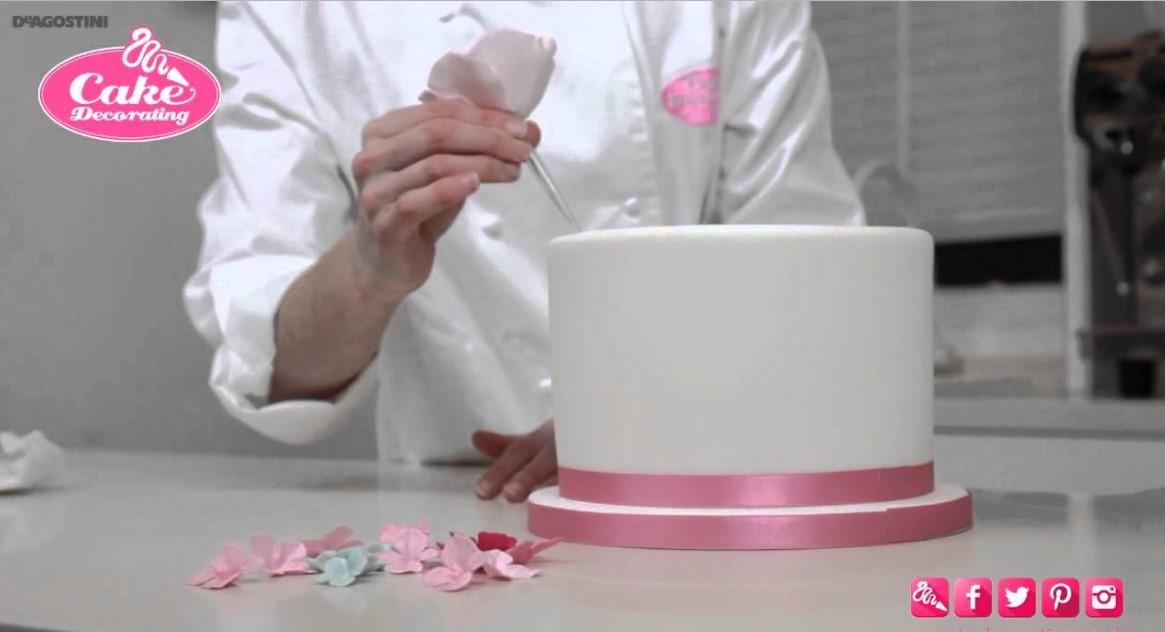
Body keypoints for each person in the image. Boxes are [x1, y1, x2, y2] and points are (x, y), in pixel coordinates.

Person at [184, 1, 863, 503]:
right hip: (464, 507)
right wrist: (370, 268)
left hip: (707, 486)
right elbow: (275, 366)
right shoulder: (296, 12)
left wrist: (652, 422)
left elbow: (813, 279)